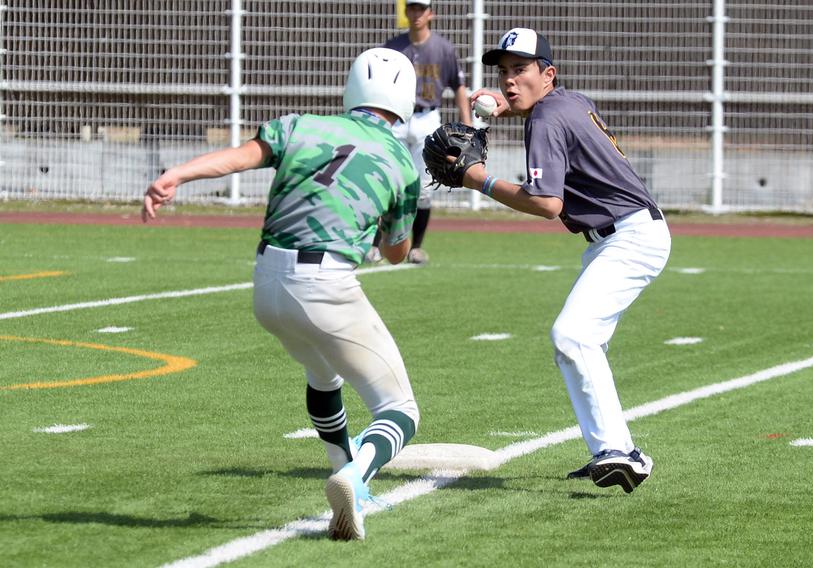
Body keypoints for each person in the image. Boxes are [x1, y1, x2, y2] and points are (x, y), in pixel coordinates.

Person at [141, 48, 422, 539]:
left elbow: (238, 158)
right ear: (405, 100)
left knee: (323, 371)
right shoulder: (401, 160)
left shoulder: (301, 125)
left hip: (266, 284)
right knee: (400, 411)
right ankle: (356, 477)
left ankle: (341, 466)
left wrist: (177, 174)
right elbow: (398, 253)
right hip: (324, 285)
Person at [465, 28, 672, 493]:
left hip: (629, 237)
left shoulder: (546, 119)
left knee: (572, 335)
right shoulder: (568, 101)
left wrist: (478, 180)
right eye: (504, 73)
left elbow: (547, 204)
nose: (510, 81)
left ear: (548, 73)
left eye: (521, 70)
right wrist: (505, 107)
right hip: (623, 234)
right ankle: (620, 451)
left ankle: (616, 452)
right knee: (581, 341)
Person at [365, 0, 472, 265]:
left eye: (420, 9)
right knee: (387, 181)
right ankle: (375, 245)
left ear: (430, 13)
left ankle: (417, 247)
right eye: (411, 8)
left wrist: (467, 125)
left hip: (427, 118)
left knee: (424, 186)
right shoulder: (392, 47)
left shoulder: (443, 48)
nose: (415, 13)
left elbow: (458, 87)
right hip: (397, 118)